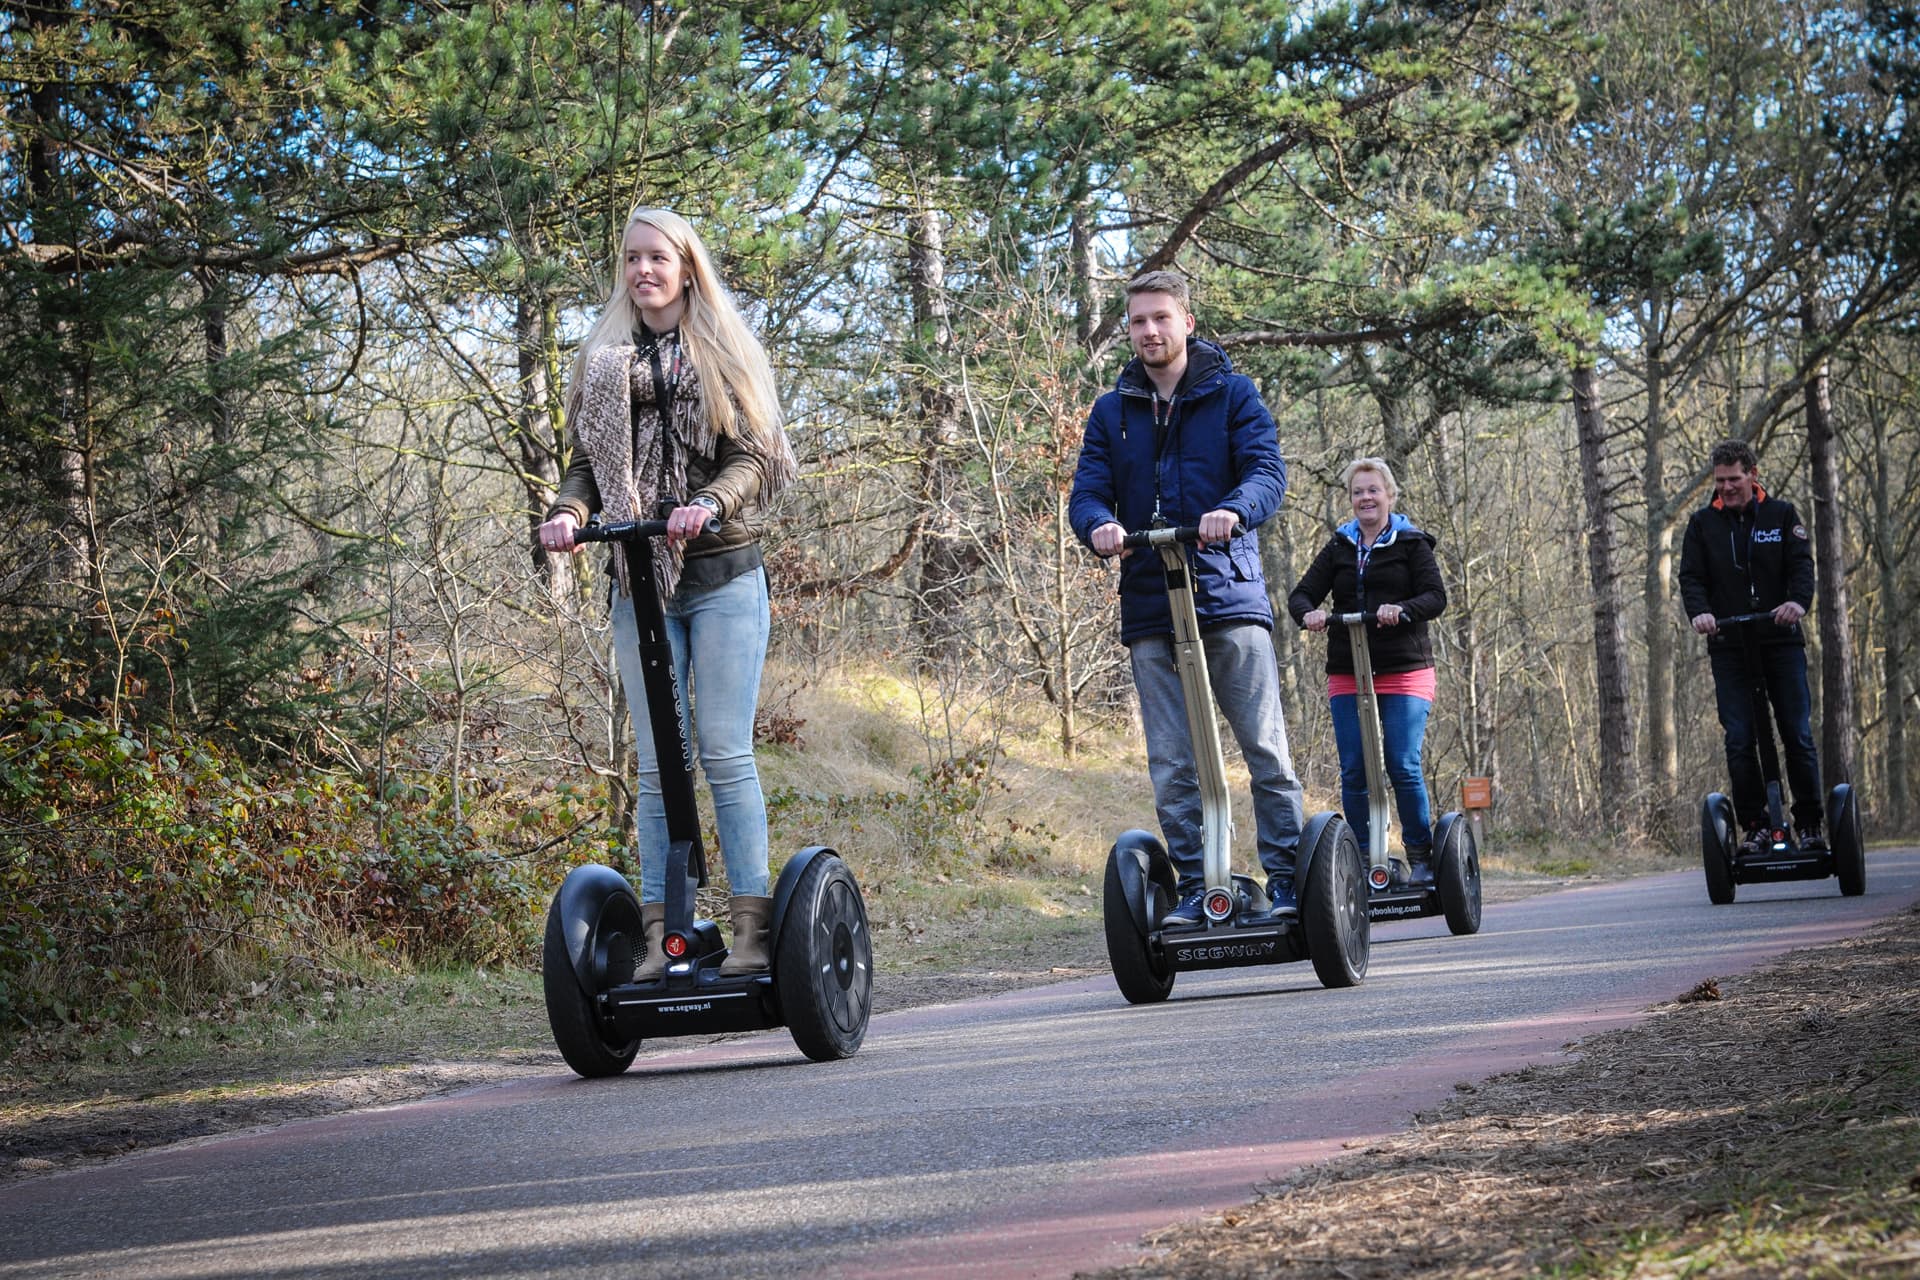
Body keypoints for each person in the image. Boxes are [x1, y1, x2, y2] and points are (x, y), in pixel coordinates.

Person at [535, 207, 797, 979]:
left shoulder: (725, 353)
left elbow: (754, 457)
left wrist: (708, 503)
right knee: (657, 766)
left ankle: (752, 927)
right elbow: (588, 463)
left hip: (722, 575)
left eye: (658, 258)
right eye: (631, 260)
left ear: (687, 267)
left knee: (722, 752)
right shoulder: (606, 359)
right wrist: (568, 511)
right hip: (637, 578)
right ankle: (662, 932)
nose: (643, 271)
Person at [1068, 270, 1306, 926]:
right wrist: (1098, 526)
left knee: (1264, 749)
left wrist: (1233, 509)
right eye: (1138, 321)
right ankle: (1206, 885)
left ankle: (1287, 881)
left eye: (1160, 319)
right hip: (1151, 605)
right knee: (1173, 761)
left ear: (1187, 323)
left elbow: (1266, 472)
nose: (1149, 331)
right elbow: (1087, 492)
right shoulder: (1112, 411)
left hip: (1227, 598)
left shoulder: (1231, 396)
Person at [1287, 458, 1447, 882]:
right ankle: (1359, 859)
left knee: (1401, 762)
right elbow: (1300, 595)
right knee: (1355, 766)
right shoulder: (1340, 546)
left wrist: (1403, 609)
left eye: (1373, 490)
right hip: (1348, 669)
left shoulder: (1411, 543)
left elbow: (1435, 597)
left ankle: (1421, 856)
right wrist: (1310, 615)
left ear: (1389, 495)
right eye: (1358, 492)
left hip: (1404, 668)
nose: (1366, 498)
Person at [1677, 438, 1822, 852]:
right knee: (1740, 738)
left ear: (1752, 475)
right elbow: (1691, 578)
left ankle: (1809, 823)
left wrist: (1797, 602)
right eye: (1720, 480)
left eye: (1734, 478)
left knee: (1796, 732)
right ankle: (1757, 825)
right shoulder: (1703, 525)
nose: (1726, 487)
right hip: (1730, 645)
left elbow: (1800, 565)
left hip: (1780, 641)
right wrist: (1700, 613)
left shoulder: (1781, 515)